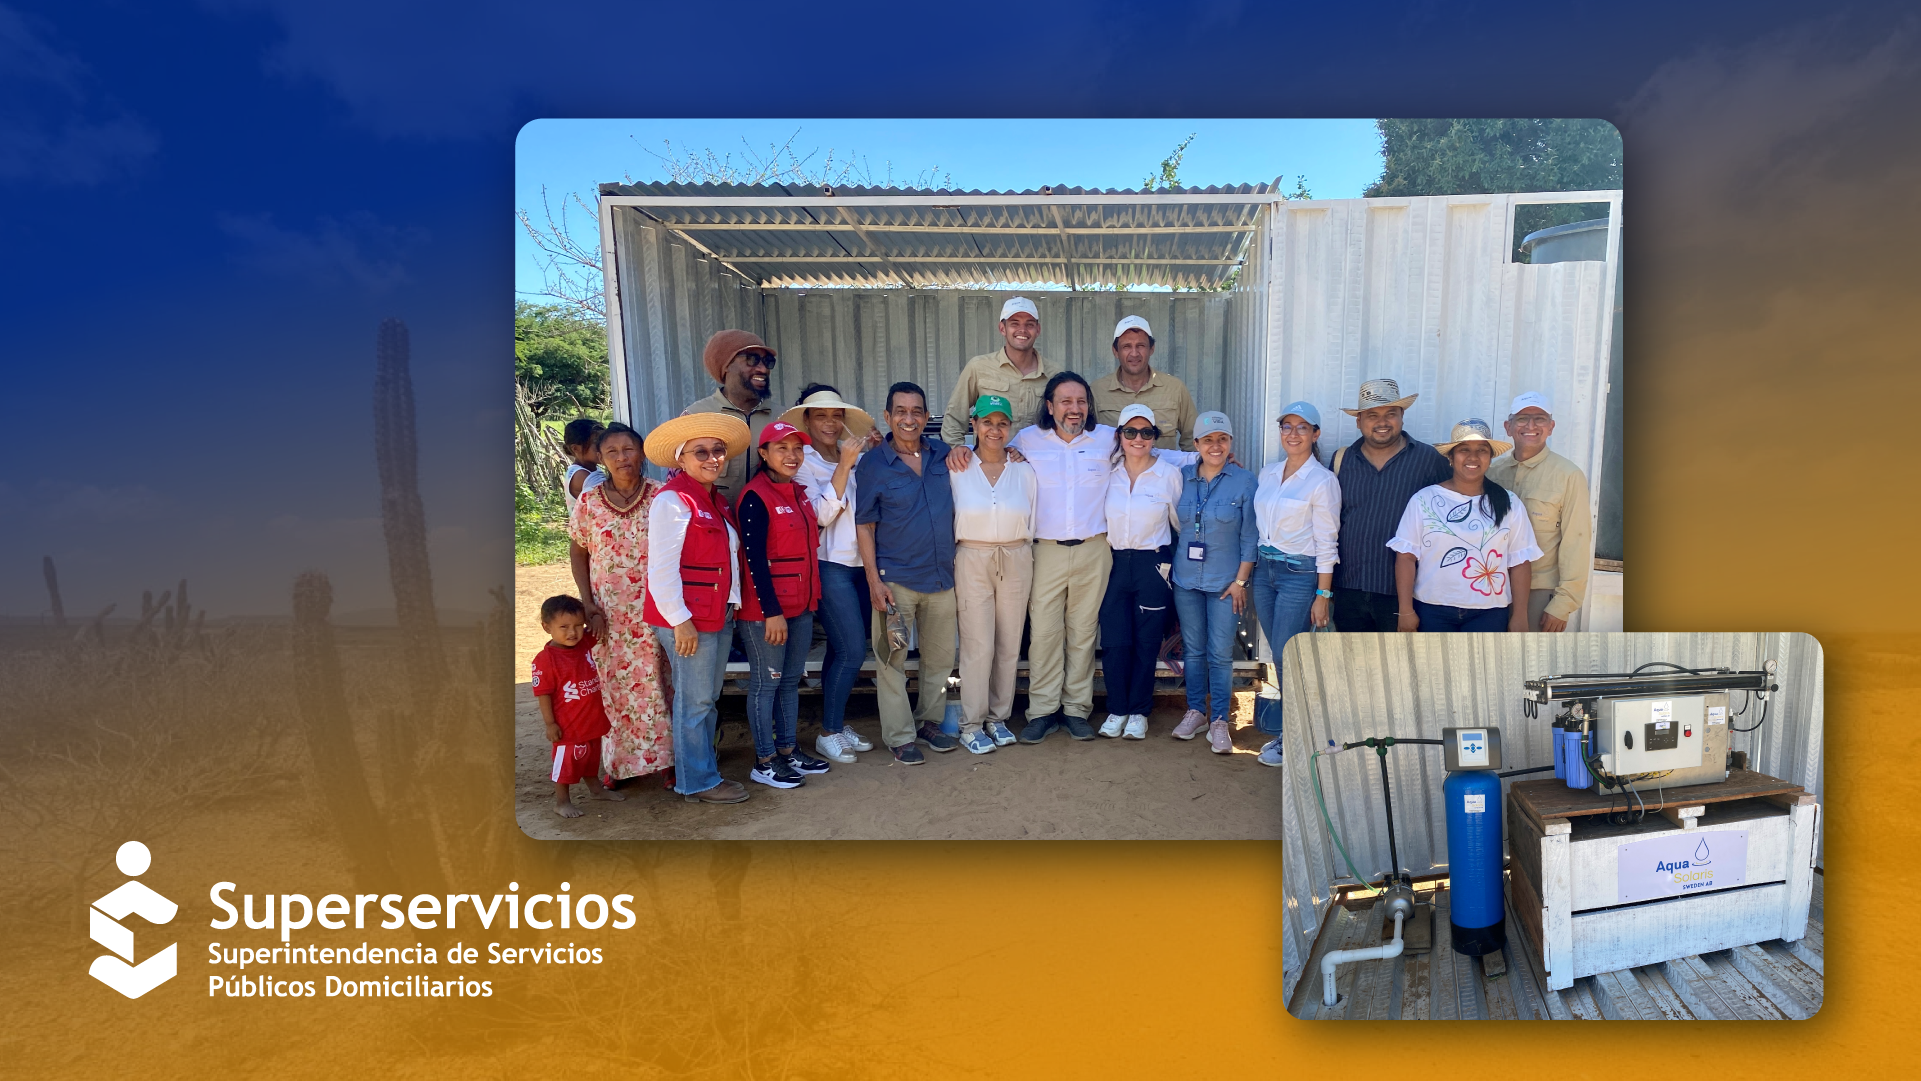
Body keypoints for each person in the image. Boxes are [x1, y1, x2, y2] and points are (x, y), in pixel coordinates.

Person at [949, 372, 1196, 742]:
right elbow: (993, 450)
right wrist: (959, 448)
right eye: (1065, 401)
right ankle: (1043, 711)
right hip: (1044, 550)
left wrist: (1206, 454)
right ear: (1050, 406)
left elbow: (1154, 451)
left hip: (1094, 550)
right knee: (1045, 634)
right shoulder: (1027, 441)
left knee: (1082, 634)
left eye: (1081, 401)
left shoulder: (1106, 439)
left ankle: (1076, 709)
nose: (1074, 408)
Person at [643, 412, 754, 804]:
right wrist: (680, 621)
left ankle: (700, 769)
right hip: (690, 619)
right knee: (695, 701)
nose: (712, 458)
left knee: (705, 699)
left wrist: (733, 602)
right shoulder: (673, 500)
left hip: (715, 614)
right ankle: (698, 781)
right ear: (681, 460)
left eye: (717, 450)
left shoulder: (715, 500)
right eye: (701, 452)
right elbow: (660, 568)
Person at [855, 381, 960, 763]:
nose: (909, 418)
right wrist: (873, 581)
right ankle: (900, 737)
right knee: (892, 661)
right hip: (895, 584)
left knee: (939, 659)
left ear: (926, 417)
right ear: (887, 416)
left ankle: (929, 721)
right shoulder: (873, 465)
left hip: (941, 581)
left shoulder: (943, 455)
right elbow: (864, 525)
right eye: (900, 411)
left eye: (916, 411)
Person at [567, 422, 675, 787]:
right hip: (608, 614)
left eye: (628, 449)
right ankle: (620, 765)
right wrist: (587, 603)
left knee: (660, 682)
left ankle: (667, 762)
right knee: (614, 686)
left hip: (656, 610)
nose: (621, 458)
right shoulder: (589, 502)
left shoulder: (662, 496)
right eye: (611, 452)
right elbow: (578, 550)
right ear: (600, 458)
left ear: (642, 453)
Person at [782, 385, 883, 764]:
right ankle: (828, 732)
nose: (830, 422)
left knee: (844, 648)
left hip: (861, 564)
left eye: (836, 415)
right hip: (829, 565)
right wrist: (844, 465)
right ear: (806, 420)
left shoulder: (851, 456)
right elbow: (819, 518)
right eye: (820, 415)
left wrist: (863, 458)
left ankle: (835, 724)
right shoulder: (802, 461)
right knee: (853, 649)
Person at [735, 421, 835, 789]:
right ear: (763, 454)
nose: (791, 456)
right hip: (768, 613)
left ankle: (788, 750)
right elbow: (754, 560)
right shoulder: (754, 496)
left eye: (797, 449)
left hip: (801, 606)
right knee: (767, 684)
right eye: (782, 448)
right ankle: (764, 761)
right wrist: (770, 612)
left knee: (790, 681)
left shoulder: (798, 491)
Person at [1251, 402, 1341, 768]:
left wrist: (1322, 594)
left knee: (1290, 659)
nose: (1293, 433)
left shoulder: (1322, 481)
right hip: (1265, 573)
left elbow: (1327, 542)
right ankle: (1296, 731)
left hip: (1299, 576)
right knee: (1279, 655)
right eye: (1287, 426)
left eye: (1302, 427)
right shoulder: (1268, 474)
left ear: (1316, 434)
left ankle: (1295, 738)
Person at [1388, 420, 1542, 633]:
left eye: (1481, 450)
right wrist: (1405, 610)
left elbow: (1520, 563)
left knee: (1481, 667)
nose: (1473, 457)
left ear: (1490, 457)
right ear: (1450, 457)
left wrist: (1520, 616)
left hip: (1489, 613)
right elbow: (1405, 557)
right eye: (1464, 450)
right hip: (1432, 609)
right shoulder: (1424, 500)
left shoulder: (1509, 503)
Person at [950, 394, 1038, 754]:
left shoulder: (1024, 470)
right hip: (972, 556)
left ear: (1010, 428)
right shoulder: (956, 467)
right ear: (974, 425)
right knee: (977, 644)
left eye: (1002, 423)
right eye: (987, 422)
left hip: (1016, 555)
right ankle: (971, 722)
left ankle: (998, 718)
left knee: (1008, 643)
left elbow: (1033, 516)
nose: (994, 429)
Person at [1329, 378, 1452, 631]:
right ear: (1359, 420)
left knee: (1401, 668)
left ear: (1402, 416)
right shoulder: (1342, 460)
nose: (1382, 422)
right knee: (1351, 668)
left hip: (1405, 594)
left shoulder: (1428, 459)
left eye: (1390, 414)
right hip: (1347, 590)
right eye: (1372, 415)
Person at [1169, 413, 1260, 755]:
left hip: (1226, 584)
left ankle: (1220, 719)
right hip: (1186, 580)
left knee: (1220, 653)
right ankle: (1196, 712)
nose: (1215, 446)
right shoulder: (1180, 478)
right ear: (1196, 445)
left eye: (1222, 439)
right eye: (1208, 439)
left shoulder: (1245, 481)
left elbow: (1251, 536)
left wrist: (1241, 581)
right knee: (1193, 650)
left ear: (1231, 443)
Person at [1098, 404, 1185, 740]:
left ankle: (1138, 711)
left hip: (1153, 562)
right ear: (1119, 436)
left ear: (1154, 438)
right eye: (1130, 432)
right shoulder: (1108, 473)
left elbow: (1179, 525)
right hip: (1114, 561)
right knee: (1116, 640)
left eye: (1146, 432)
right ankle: (1117, 709)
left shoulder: (1168, 475)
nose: (1138, 438)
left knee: (1147, 641)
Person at [1487, 391, 1593, 632]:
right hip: (1491, 589)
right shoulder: (1492, 473)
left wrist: (1563, 603)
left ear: (1551, 426)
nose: (1531, 426)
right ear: (1508, 426)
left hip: (1539, 592)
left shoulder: (1568, 476)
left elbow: (1576, 541)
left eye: (1540, 418)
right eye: (1522, 419)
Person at [530, 594, 628, 818]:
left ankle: (596, 790)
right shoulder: (546, 660)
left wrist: (592, 614)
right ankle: (562, 802)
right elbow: (543, 694)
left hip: (591, 720)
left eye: (578, 626)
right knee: (565, 766)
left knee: (590, 759)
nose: (572, 632)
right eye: (563, 627)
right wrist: (550, 724)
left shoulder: (584, 642)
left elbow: (598, 626)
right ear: (547, 627)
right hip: (568, 727)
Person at [940, 297, 1058, 446]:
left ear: (1038, 330)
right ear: (1002, 328)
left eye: (1029, 324)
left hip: (1036, 464)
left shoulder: (1054, 374)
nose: (1022, 330)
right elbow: (954, 417)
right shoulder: (979, 367)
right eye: (1014, 324)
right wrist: (956, 450)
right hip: (989, 464)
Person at [684, 329, 779, 506]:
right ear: (726, 365)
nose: (762, 368)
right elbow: (679, 483)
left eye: (767, 362)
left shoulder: (782, 418)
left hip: (770, 529)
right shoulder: (696, 416)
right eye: (752, 360)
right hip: (715, 527)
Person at [1092, 316, 1198, 451]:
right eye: (1126, 346)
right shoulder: (1097, 391)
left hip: (1164, 471)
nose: (1134, 353)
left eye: (1140, 346)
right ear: (1115, 351)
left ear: (1151, 349)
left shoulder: (1175, 389)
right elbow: (1083, 440)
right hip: (1113, 472)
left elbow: (1193, 440)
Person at [561, 417, 606, 516]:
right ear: (576, 448)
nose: (603, 447)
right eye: (596, 442)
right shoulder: (582, 475)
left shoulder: (585, 470)